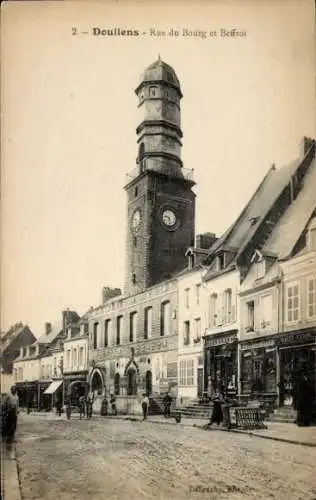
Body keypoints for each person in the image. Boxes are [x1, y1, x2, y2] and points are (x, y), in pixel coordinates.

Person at [1, 385, 19, 456]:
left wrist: (17, 411)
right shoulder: (8, 396)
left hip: (14, 413)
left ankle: (12, 437)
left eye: (15, 389)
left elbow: (17, 405)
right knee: (8, 425)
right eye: (12, 389)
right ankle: (8, 439)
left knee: (14, 426)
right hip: (9, 412)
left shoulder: (17, 397)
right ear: (11, 390)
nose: (13, 390)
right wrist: (5, 411)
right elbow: (4, 404)